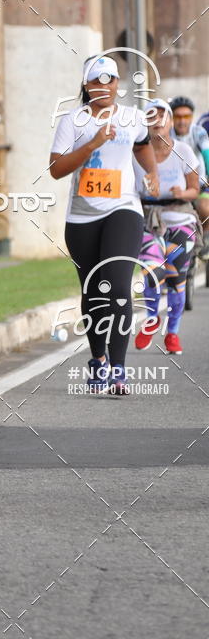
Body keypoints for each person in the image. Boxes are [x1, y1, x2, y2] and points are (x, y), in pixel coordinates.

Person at [49, 55, 159, 395]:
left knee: (119, 285)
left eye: (110, 79)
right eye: (96, 80)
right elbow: (56, 168)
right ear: (86, 85)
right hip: (82, 216)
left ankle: (119, 369)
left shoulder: (132, 118)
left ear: (116, 84)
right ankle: (98, 359)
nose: (104, 85)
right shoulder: (72, 121)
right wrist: (93, 143)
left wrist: (151, 172)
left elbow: (142, 146)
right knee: (94, 290)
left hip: (124, 209)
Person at [134, 100, 200, 355]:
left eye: (163, 116)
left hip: (180, 218)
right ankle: (152, 319)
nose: (158, 120)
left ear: (171, 122)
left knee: (175, 280)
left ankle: (172, 333)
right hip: (149, 218)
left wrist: (183, 193)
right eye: (152, 116)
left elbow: (195, 189)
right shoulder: (136, 153)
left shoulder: (184, 150)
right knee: (151, 272)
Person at [168, 96, 209, 258]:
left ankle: (206, 239)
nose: (182, 121)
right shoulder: (167, 134)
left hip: (199, 185)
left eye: (186, 117)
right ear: (172, 117)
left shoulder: (198, 132)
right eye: (178, 117)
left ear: (191, 118)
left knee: (205, 208)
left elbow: (207, 153)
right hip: (175, 188)